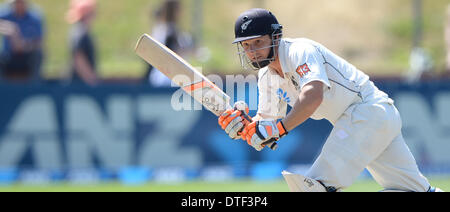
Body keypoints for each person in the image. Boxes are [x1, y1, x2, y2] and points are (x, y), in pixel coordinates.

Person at [218, 8, 442, 192]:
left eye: (257, 42)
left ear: (275, 36)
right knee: (415, 191)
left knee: (313, 188)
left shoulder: (299, 51)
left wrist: (279, 128)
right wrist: (245, 128)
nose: (252, 51)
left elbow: (313, 96)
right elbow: (267, 126)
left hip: (366, 112)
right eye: (246, 46)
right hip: (372, 119)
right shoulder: (266, 75)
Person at [145, 0, 193, 87]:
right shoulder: (165, 31)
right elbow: (169, 52)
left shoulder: (174, 31)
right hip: (165, 79)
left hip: (174, 78)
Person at [0, 0, 44, 83]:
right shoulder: (4, 15)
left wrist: (22, 44)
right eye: (16, 2)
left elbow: (39, 42)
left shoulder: (35, 18)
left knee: (38, 54)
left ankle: (34, 86)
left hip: (27, 56)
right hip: (8, 56)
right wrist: (6, 27)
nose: (19, 4)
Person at [66, 0, 98, 86]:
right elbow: (78, 58)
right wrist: (92, 80)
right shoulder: (80, 32)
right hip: (79, 84)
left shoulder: (78, 30)